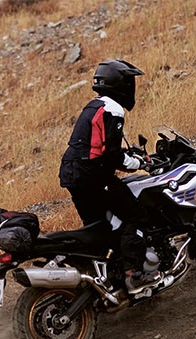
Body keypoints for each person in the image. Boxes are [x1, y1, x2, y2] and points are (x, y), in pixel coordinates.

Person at [58, 59, 158, 294]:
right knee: (137, 217)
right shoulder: (114, 109)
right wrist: (138, 164)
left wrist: (128, 156)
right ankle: (134, 275)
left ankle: (105, 277)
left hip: (74, 173)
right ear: (119, 83)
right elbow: (112, 156)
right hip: (92, 176)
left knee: (99, 228)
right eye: (129, 81)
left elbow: (99, 147)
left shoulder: (95, 105)